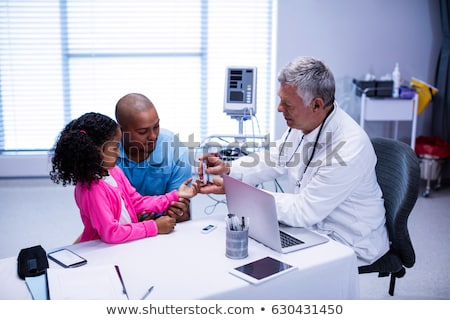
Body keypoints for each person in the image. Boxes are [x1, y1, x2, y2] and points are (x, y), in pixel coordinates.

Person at [199, 56, 389, 265]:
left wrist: (238, 192)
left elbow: (304, 210)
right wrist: (229, 169)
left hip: (348, 239)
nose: (280, 109)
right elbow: (276, 159)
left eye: (287, 104)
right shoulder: (304, 125)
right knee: (245, 245)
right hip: (311, 226)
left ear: (316, 105)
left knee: (266, 266)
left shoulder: (349, 146)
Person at [50, 112, 198, 244]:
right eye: (114, 148)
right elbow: (111, 233)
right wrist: (154, 227)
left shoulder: (113, 171)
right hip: (100, 251)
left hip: (124, 244)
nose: (118, 152)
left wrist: (175, 195)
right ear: (94, 152)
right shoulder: (92, 190)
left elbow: (137, 202)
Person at [115, 93, 192, 222]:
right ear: (121, 130)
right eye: (143, 132)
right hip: (122, 233)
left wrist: (179, 212)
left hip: (167, 231)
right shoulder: (107, 155)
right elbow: (107, 213)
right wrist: (135, 222)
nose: (153, 136)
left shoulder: (176, 151)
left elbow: (182, 213)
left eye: (156, 127)